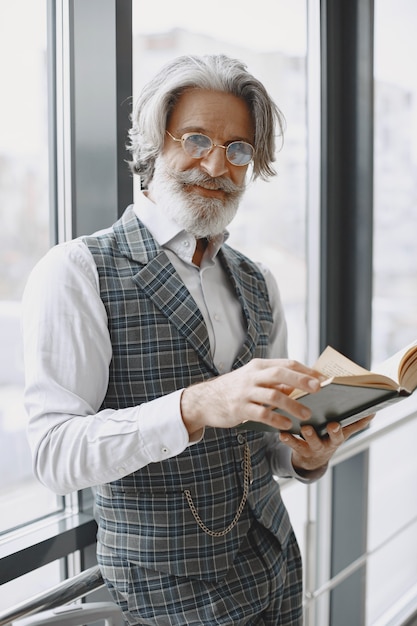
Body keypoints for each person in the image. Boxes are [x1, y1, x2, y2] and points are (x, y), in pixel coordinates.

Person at [22, 54, 372, 626]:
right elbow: (54, 454)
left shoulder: (260, 281)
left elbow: (268, 445)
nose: (217, 163)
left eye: (238, 149)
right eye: (196, 138)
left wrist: (305, 456)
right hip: (164, 598)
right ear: (151, 145)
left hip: (278, 574)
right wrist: (196, 405)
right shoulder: (76, 271)